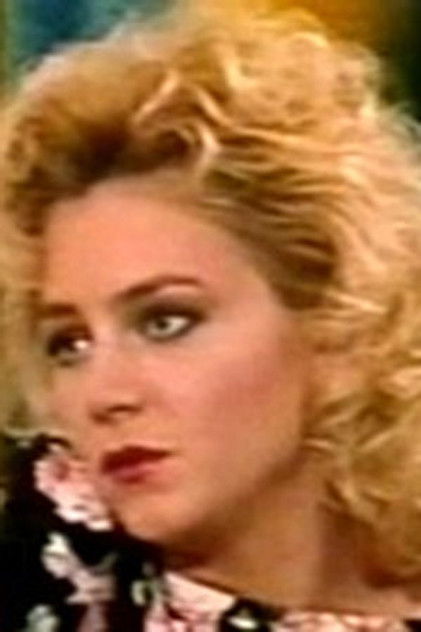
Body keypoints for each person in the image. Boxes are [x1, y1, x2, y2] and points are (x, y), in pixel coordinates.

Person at [1, 1, 421, 630]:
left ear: (339, 327)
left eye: (165, 322)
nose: (104, 396)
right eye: (70, 344)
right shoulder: (37, 557)